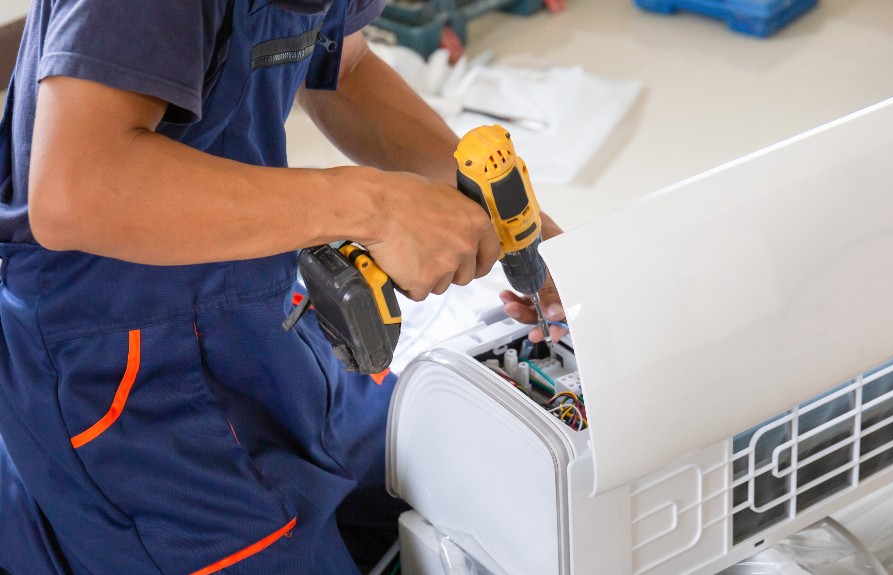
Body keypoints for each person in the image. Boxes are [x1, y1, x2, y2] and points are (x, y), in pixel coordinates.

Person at [0, 0, 567, 573]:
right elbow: (79, 188)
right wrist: (375, 207)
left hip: (252, 310)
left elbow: (341, 70)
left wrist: (487, 208)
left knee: (436, 470)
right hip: (120, 381)